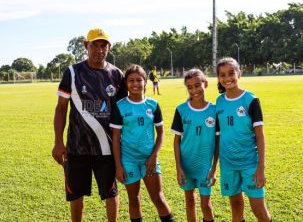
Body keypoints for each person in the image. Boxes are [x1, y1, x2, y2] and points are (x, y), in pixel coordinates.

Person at [52, 28, 127, 222]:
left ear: (109, 48)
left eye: (104, 45)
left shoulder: (117, 75)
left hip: (107, 148)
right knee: (76, 194)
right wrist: (58, 142)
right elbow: (61, 109)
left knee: (111, 192)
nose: (99, 49)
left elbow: (123, 113)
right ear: (87, 46)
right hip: (77, 147)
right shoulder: (73, 72)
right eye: (95, 45)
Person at [110, 64, 173, 222]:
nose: (135, 84)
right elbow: (116, 138)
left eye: (139, 80)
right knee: (134, 199)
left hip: (149, 160)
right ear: (126, 83)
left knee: (158, 197)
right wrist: (118, 166)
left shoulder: (153, 105)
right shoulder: (120, 106)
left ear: (145, 81)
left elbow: (160, 133)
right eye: (131, 80)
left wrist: (153, 156)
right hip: (128, 160)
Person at [215, 57, 272, 222]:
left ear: (239, 73)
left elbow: (260, 136)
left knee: (258, 209)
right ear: (219, 78)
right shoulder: (219, 102)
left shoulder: (251, 100)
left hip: (249, 164)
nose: (227, 78)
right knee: (236, 206)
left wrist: (261, 168)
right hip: (228, 164)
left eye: (231, 73)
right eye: (222, 75)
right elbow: (218, 137)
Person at [171, 69, 219, 222]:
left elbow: (218, 142)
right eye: (190, 87)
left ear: (205, 84)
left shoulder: (215, 110)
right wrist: (179, 168)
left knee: (206, 205)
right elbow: (177, 141)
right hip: (186, 166)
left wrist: (214, 168)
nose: (194, 90)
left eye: (197, 85)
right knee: (189, 201)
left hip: (205, 167)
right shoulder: (181, 110)